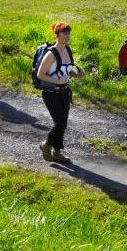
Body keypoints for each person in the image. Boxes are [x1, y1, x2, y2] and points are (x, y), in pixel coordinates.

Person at [37, 22, 85, 163]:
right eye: (64, 33)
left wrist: (77, 74)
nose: (67, 36)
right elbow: (40, 74)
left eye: (68, 33)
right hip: (51, 93)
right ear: (57, 35)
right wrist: (57, 82)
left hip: (65, 92)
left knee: (62, 124)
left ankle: (57, 153)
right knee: (60, 123)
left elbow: (67, 70)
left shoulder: (67, 50)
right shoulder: (51, 54)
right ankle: (46, 145)